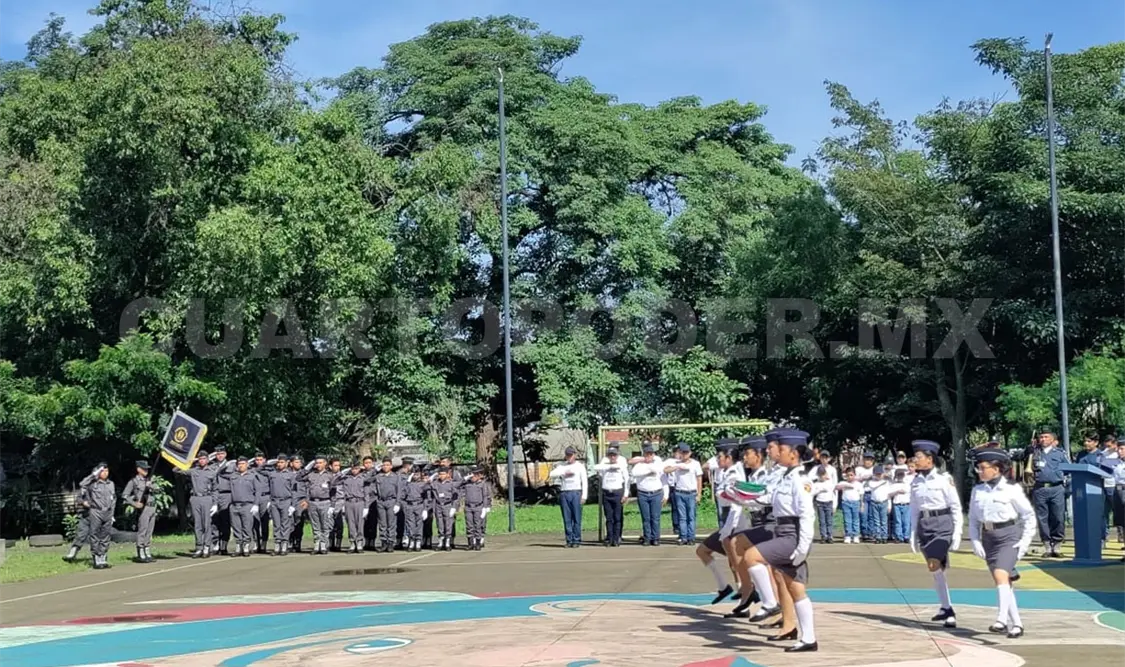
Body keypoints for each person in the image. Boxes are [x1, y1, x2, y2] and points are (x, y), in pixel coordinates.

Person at [736, 431, 818, 653]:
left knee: (752, 556)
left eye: (781, 449)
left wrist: (803, 546)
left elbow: (807, 514)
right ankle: (808, 638)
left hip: (792, 534)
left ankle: (770, 603)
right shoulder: (787, 476)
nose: (777, 452)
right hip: (784, 530)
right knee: (796, 588)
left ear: (793, 454)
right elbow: (769, 499)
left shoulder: (801, 480)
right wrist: (742, 497)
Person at [967, 447, 1036, 639]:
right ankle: (1018, 625)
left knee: (1001, 575)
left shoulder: (1011, 489)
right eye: (978, 468)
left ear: (996, 469)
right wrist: (975, 540)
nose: (979, 471)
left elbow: (1028, 516)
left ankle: (1001, 619)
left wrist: (1024, 542)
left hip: (1009, 536)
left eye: (982, 468)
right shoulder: (977, 490)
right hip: (989, 537)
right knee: (1004, 582)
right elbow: (973, 519)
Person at [909, 439, 963, 629]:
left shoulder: (943, 479)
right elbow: (914, 509)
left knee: (935, 563)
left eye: (919, 457)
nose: (915, 460)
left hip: (942, 524)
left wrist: (957, 533)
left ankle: (948, 610)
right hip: (925, 525)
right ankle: (946, 608)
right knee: (936, 570)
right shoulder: (916, 481)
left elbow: (955, 506)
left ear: (930, 459)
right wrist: (913, 532)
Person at [697, 441, 744, 606]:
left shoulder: (736, 473)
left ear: (729, 457)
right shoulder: (727, 472)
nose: (717, 460)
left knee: (736, 561)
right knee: (703, 551)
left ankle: (745, 597)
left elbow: (737, 502)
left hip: (733, 522)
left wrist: (730, 529)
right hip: (726, 522)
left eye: (720, 456)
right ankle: (725, 587)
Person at [1027, 431, 1070, 557]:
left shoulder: (1059, 453)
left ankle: (1057, 545)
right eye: (1041, 437)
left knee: (1058, 517)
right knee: (1042, 518)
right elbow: (1020, 459)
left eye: (1046, 437)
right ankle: (1047, 545)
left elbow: (1068, 469)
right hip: (1040, 488)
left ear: (1053, 439)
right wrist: (1028, 450)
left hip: (1056, 488)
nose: (1043, 439)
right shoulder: (1035, 452)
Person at [176, 451, 218, 558]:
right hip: (195, 498)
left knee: (207, 524)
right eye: (200, 459)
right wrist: (190, 461)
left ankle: (207, 547)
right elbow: (176, 470)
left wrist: (215, 503)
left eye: (204, 459)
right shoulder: (194, 471)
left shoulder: (212, 472)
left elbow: (215, 489)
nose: (202, 461)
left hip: (207, 498)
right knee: (197, 525)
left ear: (207, 460)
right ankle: (199, 547)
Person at [548, 446, 588, 548]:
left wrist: (584, 496)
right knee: (567, 518)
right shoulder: (562, 466)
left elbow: (584, 481)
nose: (569, 457)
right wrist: (564, 472)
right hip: (564, 492)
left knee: (576, 518)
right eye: (567, 455)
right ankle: (569, 539)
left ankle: (576, 539)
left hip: (576, 492)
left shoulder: (580, 466)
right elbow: (552, 474)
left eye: (571, 455)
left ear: (574, 455)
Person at [665, 443, 703, 545]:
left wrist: (699, 494)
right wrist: (677, 466)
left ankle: (691, 537)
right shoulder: (676, 463)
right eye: (683, 452)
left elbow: (699, 479)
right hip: (679, 492)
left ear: (690, 453)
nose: (685, 455)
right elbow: (666, 470)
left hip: (691, 493)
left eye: (686, 452)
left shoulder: (695, 464)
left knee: (691, 516)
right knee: (682, 517)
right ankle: (683, 537)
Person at [631, 443, 668, 546]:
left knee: (655, 517)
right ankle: (647, 537)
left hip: (656, 493)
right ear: (644, 455)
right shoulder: (639, 465)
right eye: (647, 454)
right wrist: (647, 471)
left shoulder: (658, 464)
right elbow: (635, 473)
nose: (649, 456)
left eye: (651, 454)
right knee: (646, 517)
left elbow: (663, 479)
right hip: (643, 494)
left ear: (653, 455)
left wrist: (666, 495)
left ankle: (655, 538)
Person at [81, 463, 116, 569]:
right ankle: (96, 558)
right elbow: (83, 483)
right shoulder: (92, 483)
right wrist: (93, 475)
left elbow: (113, 499)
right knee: (95, 534)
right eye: (103, 471)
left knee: (106, 535)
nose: (105, 473)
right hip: (96, 511)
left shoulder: (111, 484)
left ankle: (103, 556)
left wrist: (112, 513)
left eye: (107, 471)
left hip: (108, 512)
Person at [122, 460, 157, 563]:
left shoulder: (149, 480)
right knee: (143, 530)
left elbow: (157, 489)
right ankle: (140, 551)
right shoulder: (134, 482)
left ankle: (147, 550)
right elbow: (125, 495)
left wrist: (151, 486)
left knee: (150, 531)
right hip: (144, 508)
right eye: (144, 468)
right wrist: (134, 503)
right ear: (138, 469)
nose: (146, 470)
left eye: (147, 469)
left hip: (152, 507)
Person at [594, 445, 630, 547]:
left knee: (617, 517)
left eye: (614, 455)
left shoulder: (621, 465)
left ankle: (616, 537)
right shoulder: (604, 465)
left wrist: (626, 494)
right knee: (609, 517)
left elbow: (627, 480)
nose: (612, 457)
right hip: (607, 493)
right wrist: (609, 466)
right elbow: (595, 468)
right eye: (610, 455)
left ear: (617, 456)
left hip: (617, 493)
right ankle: (609, 538)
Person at [262, 454, 295, 555]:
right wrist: (268, 463)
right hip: (274, 501)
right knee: (276, 524)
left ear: (286, 463)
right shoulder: (272, 474)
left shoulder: (290, 475)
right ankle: (277, 544)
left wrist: (292, 505)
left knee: (285, 524)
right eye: (278, 462)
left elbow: (294, 491)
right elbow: (259, 470)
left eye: (282, 462)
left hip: (286, 501)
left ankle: (284, 544)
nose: (279, 464)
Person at [368, 457, 403, 552]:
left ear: (391, 466)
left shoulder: (396, 477)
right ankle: (384, 543)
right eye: (384, 465)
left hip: (391, 501)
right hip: (381, 502)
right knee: (382, 524)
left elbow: (399, 491)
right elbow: (367, 480)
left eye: (388, 465)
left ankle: (391, 543)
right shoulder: (378, 476)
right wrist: (374, 470)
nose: (386, 467)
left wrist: (397, 503)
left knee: (391, 524)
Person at [228, 457, 259, 557]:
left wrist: (256, 504)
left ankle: (246, 546)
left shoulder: (252, 476)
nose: (241, 465)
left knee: (247, 527)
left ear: (247, 465)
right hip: (234, 505)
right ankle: (238, 546)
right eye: (239, 464)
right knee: (236, 527)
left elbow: (258, 491)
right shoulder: (232, 476)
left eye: (243, 463)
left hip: (247, 505)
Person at [337, 460, 369, 553]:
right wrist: (344, 471)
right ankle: (352, 543)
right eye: (352, 469)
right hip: (348, 502)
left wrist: (366, 507)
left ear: (359, 469)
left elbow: (366, 493)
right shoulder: (346, 478)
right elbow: (335, 481)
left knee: (359, 524)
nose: (354, 470)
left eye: (356, 468)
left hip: (360, 502)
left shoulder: (363, 478)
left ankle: (359, 543)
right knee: (350, 524)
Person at [209, 445, 234, 555]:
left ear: (225, 454)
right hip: (214, 495)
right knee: (214, 521)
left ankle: (224, 545)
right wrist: (210, 457)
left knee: (225, 521)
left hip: (226, 495)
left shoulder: (231, 465)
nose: (219, 456)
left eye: (222, 454)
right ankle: (215, 544)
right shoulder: (211, 466)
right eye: (217, 454)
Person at [461, 466, 492, 550]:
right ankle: (470, 543)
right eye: (471, 476)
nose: (472, 477)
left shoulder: (482, 484)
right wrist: (465, 478)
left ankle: (478, 543)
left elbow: (486, 496)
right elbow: (458, 484)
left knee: (478, 525)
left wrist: (485, 507)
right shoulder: (467, 483)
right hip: (468, 507)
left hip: (478, 507)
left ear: (478, 476)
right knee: (469, 525)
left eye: (474, 476)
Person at [431, 467, 459, 551]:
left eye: (443, 474)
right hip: (438, 505)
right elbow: (427, 485)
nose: (441, 476)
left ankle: (447, 542)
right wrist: (432, 477)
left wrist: (454, 507)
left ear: (447, 474)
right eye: (440, 474)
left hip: (448, 505)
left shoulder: (451, 484)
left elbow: (456, 496)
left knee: (448, 524)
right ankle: (440, 542)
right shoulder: (435, 483)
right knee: (439, 524)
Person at [402, 469, 430, 551]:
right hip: (409, 505)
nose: (416, 476)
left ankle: (418, 541)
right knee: (410, 524)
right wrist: (407, 481)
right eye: (414, 474)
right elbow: (403, 494)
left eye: (417, 474)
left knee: (419, 524)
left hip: (419, 505)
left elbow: (426, 497)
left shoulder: (423, 484)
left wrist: (425, 509)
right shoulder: (408, 484)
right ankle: (411, 540)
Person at [250, 452, 272, 553]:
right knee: (254, 522)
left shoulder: (269, 470)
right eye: (257, 460)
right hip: (254, 497)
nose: (259, 462)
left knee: (264, 521)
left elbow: (273, 485)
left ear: (265, 460)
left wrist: (270, 499)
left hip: (265, 497)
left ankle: (264, 542)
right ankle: (256, 542)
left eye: (261, 460)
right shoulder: (251, 470)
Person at [836, 469, 863, 544]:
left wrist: (862, 504)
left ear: (854, 475)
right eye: (848, 475)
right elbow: (837, 487)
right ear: (846, 476)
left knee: (855, 520)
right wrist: (846, 485)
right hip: (846, 503)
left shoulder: (858, 484)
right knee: (847, 520)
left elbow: (861, 495)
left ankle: (855, 535)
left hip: (856, 503)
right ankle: (848, 535)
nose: (850, 477)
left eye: (851, 475)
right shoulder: (843, 483)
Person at [1103, 436, 1121, 543]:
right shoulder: (1103, 454)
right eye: (1106, 445)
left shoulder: (1119, 455)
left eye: (1110, 446)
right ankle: (1104, 535)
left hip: (1114, 486)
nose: (1108, 448)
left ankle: (1121, 534)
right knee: (1104, 513)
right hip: (1103, 485)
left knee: (1118, 512)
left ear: (1115, 445)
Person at [811, 466, 836, 543]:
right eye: (820, 475)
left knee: (829, 520)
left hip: (829, 502)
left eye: (824, 474)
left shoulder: (830, 483)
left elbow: (833, 493)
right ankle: (823, 536)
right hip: (819, 503)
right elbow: (812, 493)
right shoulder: (816, 484)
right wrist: (819, 490)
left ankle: (830, 536)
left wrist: (834, 505)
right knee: (822, 521)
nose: (822, 477)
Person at [867, 466, 891, 544]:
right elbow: (872, 487)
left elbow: (889, 494)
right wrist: (882, 482)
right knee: (876, 521)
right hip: (874, 503)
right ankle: (878, 536)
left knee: (883, 521)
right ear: (874, 474)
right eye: (877, 474)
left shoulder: (886, 482)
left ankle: (884, 536)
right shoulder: (871, 482)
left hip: (884, 502)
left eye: (880, 474)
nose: (878, 475)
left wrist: (889, 505)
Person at [855, 452, 875, 542]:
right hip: (863, 493)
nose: (868, 462)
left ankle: (871, 533)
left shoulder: (875, 469)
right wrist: (864, 477)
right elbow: (856, 479)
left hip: (872, 493)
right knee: (863, 514)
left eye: (870, 460)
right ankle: (864, 533)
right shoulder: (859, 469)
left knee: (871, 515)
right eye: (867, 460)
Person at [888, 469, 912, 543]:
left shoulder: (907, 484)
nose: (900, 476)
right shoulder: (893, 485)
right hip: (897, 504)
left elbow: (911, 494)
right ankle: (898, 537)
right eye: (899, 475)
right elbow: (889, 495)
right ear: (896, 476)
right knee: (898, 521)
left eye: (902, 475)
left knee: (906, 521)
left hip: (906, 504)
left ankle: (906, 536)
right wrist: (897, 492)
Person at [1111, 438, 1125, 560]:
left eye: (1122, 449)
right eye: (1118, 449)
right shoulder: (1117, 462)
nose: (1119, 451)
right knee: (1122, 522)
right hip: (1118, 490)